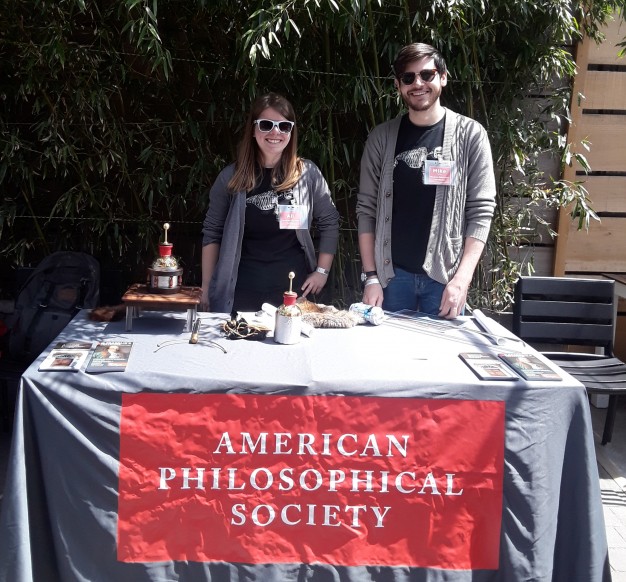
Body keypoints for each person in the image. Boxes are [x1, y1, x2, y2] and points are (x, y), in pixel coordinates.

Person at [356, 43, 497, 319]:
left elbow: (481, 211)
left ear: (443, 77)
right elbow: (366, 210)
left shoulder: (471, 135)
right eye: (408, 78)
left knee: (441, 360)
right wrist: (371, 276)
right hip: (391, 278)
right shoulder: (381, 138)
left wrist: (462, 279)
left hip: (445, 279)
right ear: (398, 85)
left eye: (427, 75)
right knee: (389, 358)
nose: (418, 83)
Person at [201, 92, 340, 313]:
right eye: (266, 124)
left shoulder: (307, 175)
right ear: (253, 130)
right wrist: (207, 287)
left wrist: (322, 272)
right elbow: (212, 233)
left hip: (293, 290)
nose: (275, 132)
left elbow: (330, 222)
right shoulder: (231, 178)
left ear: (291, 132)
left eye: (284, 126)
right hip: (241, 290)